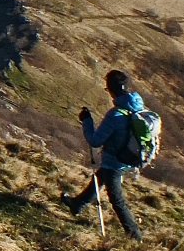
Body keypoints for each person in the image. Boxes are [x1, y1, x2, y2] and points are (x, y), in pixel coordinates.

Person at [61, 69, 144, 241]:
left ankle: (135, 236)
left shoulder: (115, 115)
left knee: (116, 200)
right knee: (99, 179)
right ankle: (77, 204)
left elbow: (95, 140)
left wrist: (86, 121)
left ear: (111, 89)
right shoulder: (136, 108)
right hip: (126, 158)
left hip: (114, 162)